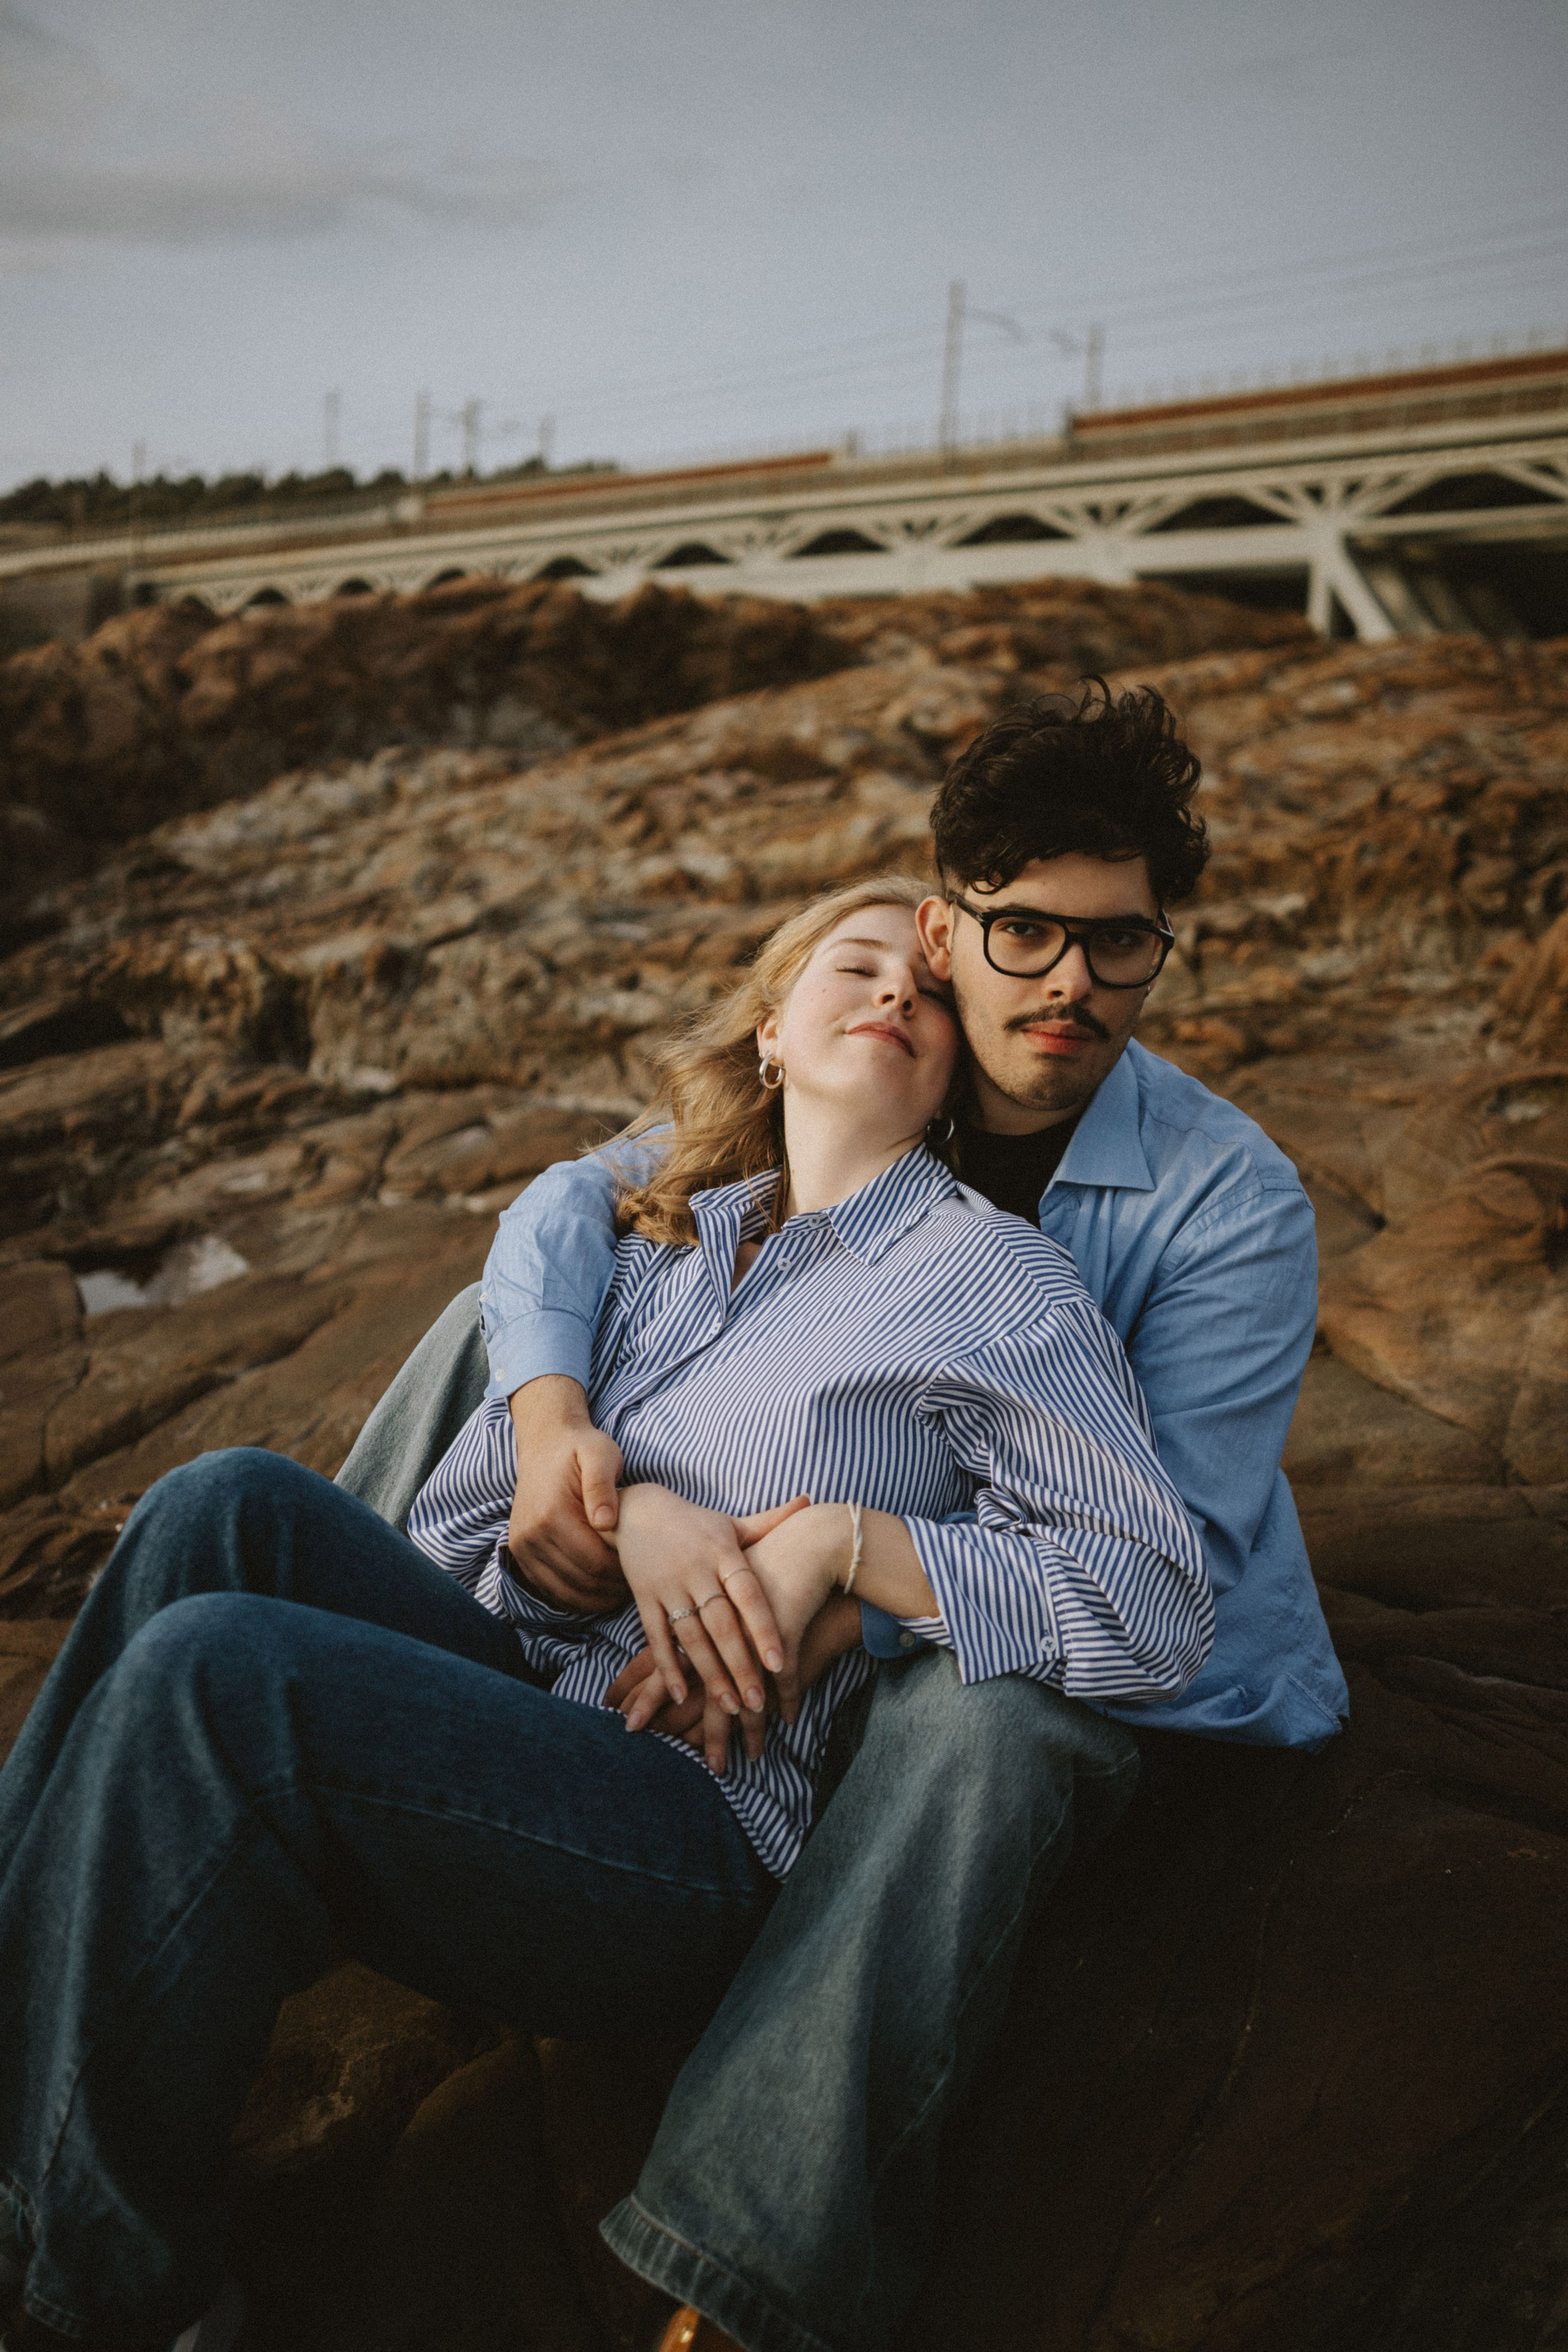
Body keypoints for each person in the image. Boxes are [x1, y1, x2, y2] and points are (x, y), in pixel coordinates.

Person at [0, 877, 1210, 2352]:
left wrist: (854, 1549)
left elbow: (1155, 1603)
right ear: (775, 1031)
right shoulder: (660, 1234)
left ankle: (102, 2300)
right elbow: (549, 1246)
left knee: (218, 1678)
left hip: (680, 1824)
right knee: (218, 1503)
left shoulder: (994, 1285)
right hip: (505, 1687)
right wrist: (603, 1480)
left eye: (928, 990)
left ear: (959, 1064)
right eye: (855, 964)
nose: (894, 994)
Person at [342, 679, 1348, 2352]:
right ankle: (386, 1667)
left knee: (984, 1722)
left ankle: (745, 2279)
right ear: (951, 925)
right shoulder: (888, 1061)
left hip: (1117, 1671)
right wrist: (571, 1438)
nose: (1074, 986)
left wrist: (858, 1584)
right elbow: (565, 1208)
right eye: (1025, 934)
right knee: (498, 1342)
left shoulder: (1224, 1201)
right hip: (828, 1583)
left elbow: (1178, 1582)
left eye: (1122, 946)